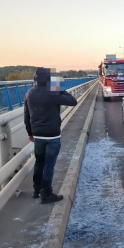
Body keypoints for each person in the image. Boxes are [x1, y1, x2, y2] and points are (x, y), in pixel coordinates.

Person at [24, 68, 77, 204]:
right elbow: (73, 101)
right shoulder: (53, 93)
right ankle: (46, 193)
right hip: (52, 136)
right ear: (49, 80)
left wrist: (30, 133)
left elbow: (27, 116)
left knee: (39, 162)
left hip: (37, 135)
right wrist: (58, 88)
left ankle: (37, 190)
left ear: (35, 79)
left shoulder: (29, 93)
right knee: (49, 164)